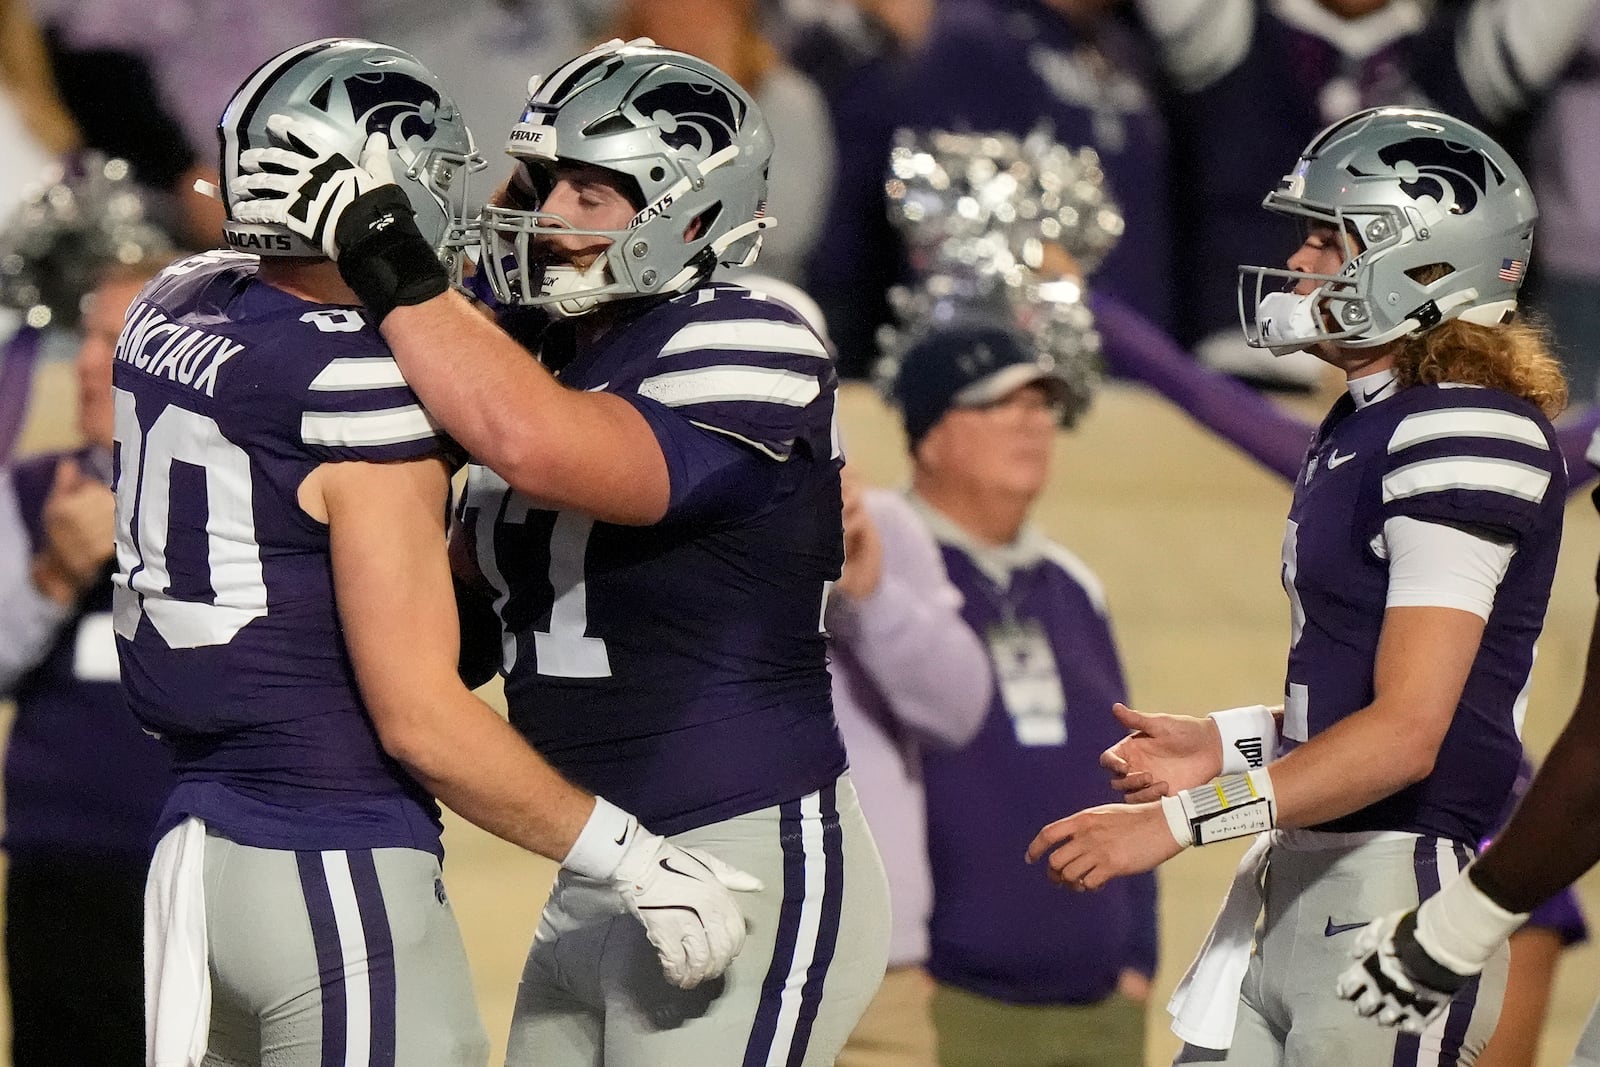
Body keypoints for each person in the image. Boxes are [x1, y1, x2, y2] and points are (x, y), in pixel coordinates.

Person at [230, 36, 892, 1067]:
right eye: (542, 179)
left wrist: (386, 252)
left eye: (594, 190)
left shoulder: (753, 337)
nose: (549, 213)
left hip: (742, 850)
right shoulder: (539, 344)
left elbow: (541, 446)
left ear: (697, 211)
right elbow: (462, 608)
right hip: (599, 863)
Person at [121, 38, 760, 1067]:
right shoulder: (356, 387)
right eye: (433, 173)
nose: (456, 207)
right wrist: (628, 855)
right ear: (365, 187)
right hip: (323, 858)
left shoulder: (175, 303)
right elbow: (420, 715)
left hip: (194, 866)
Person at [1026, 105, 1569, 1065]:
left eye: (1330, 237)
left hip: (1392, 894)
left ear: (1424, 263)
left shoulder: (1466, 431)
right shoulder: (1368, 424)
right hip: (1305, 877)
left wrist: (1175, 822)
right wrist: (1225, 741)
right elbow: (1367, 702)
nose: (1303, 262)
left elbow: (1409, 734)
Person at [884, 320, 1158, 1067]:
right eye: (998, 405)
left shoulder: (1072, 585)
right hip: (950, 1002)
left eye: (1041, 404)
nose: (1032, 423)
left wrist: (1138, 957)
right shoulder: (881, 581)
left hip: (1102, 1007)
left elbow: (1132, 766)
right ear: (929, 432)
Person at [0, 255, 175, 1066]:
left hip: (213, 856)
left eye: (113, 338)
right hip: (64, 855)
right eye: (85, 337)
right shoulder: (33, 489)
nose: (83, 359)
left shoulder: (264, 495)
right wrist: (57, 572)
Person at [826, 467, 994, 1067]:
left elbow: (959, 709)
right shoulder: (671, 524)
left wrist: (868, 591)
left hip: (879, 972)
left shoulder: (884, 525)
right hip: (724, 952)